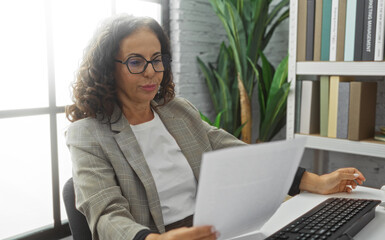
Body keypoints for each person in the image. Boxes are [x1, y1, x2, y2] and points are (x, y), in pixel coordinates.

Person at [65, 14, 366, 240]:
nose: (151, 73)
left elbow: (237, 154)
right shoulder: (88, 134)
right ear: (108, 68)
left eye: (157, 60)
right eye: (135, 62)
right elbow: (105, 213)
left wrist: (316, 181)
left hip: (215, 231)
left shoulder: (177, 111)